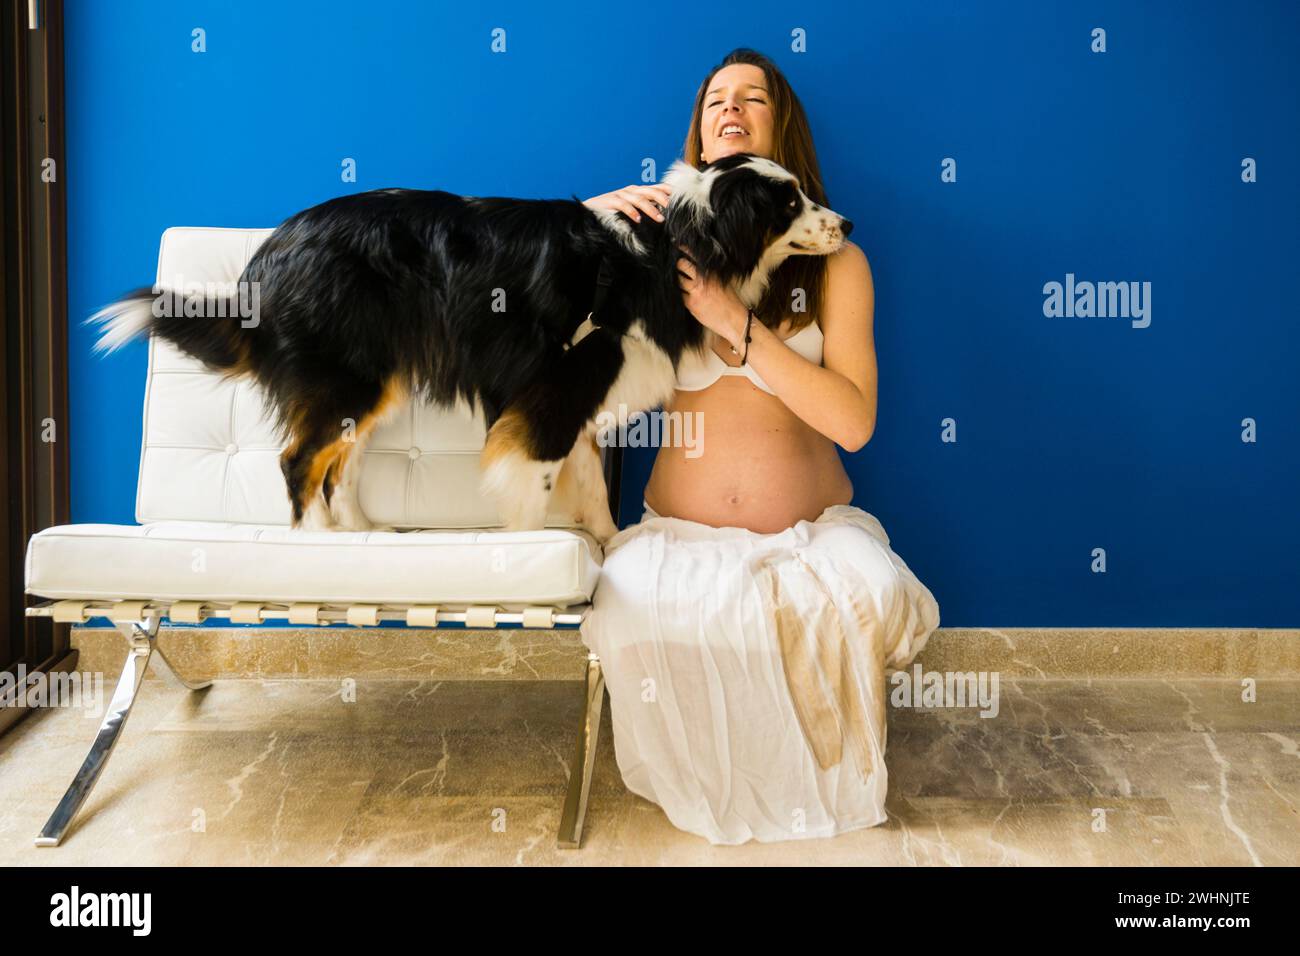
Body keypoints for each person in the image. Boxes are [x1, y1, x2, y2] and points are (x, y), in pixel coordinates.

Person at [579, 48, 940, 844]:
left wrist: (736, 327)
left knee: (870, 594)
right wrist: (588, 222)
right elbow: (574, 381)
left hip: (810, 537)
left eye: (753, 100)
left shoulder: (835, 263)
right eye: (715, 103)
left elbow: (853, 423)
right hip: (678, 537)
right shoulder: (652, 250)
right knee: (632, 609)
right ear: (700, 139)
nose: (731, 110)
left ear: (784, 133)